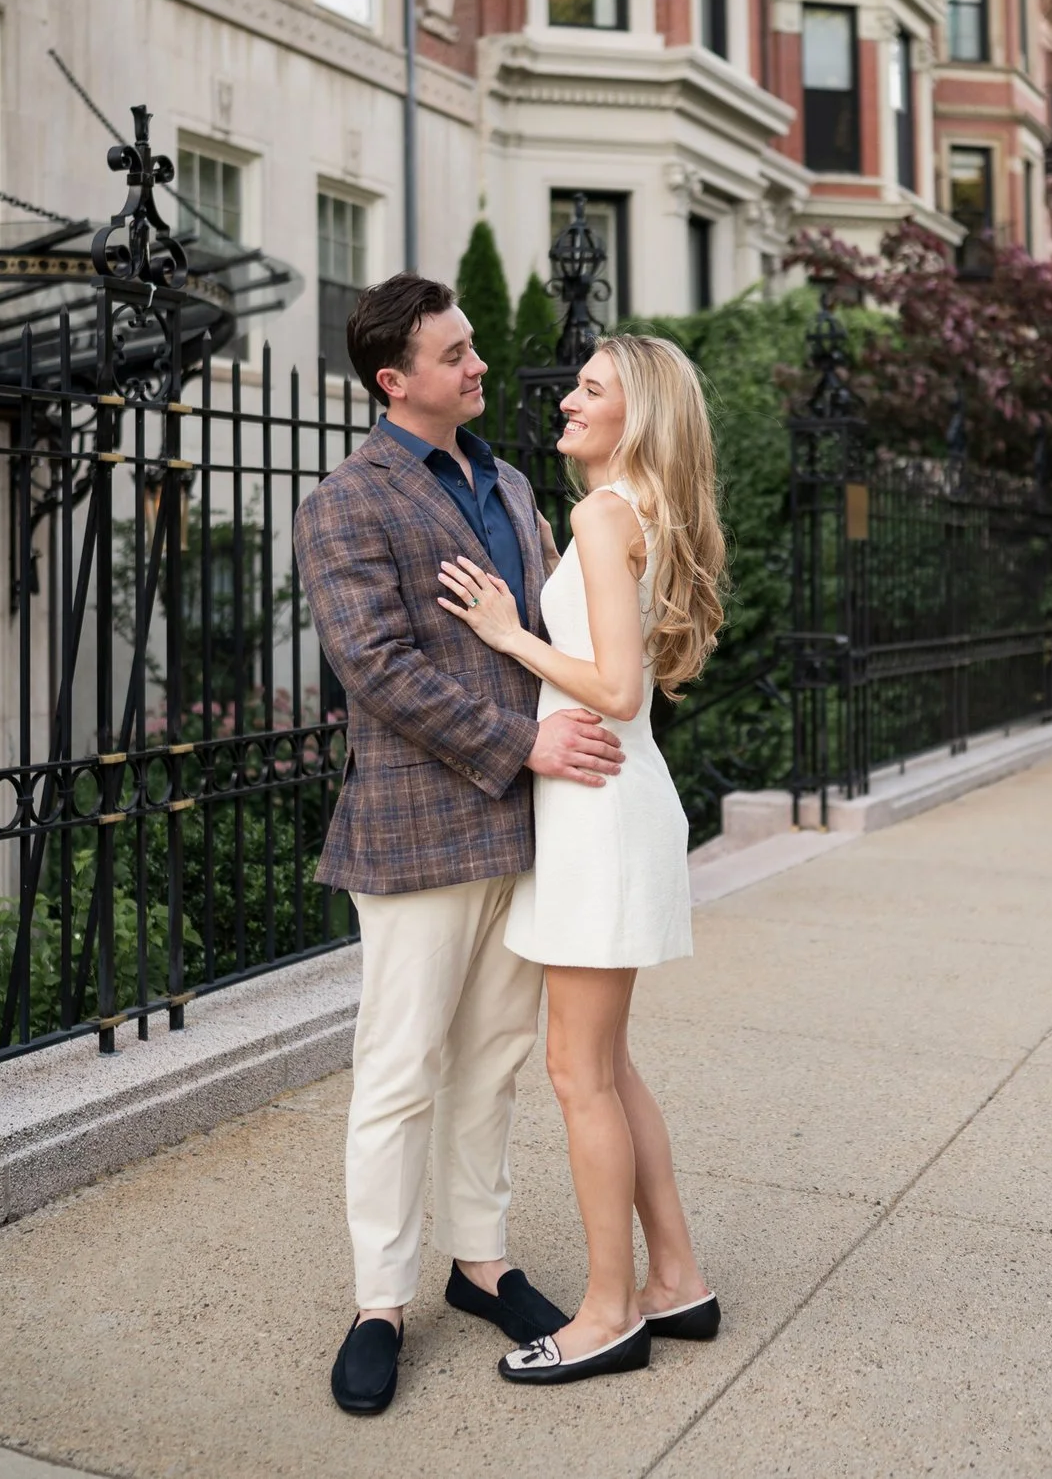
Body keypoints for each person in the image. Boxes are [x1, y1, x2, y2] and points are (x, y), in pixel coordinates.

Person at [293, 272, 628, 1417]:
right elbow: (374, 669)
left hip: (533, 830)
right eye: (454, 354)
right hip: (417, 825)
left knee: (492, 1060)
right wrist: (518, 745)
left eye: (472, 346)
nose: (478, 364)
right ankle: (379, 1299)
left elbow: (540, 631)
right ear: (395, 381)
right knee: (398, 1070)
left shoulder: (514, 481)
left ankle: (479, 1263)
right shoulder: (348, 497)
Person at [435, 332, 723, 1384]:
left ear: (633, 416)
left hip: (600, 812)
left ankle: (608, 1313)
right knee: (605, 1065)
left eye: (589, 388)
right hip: (609, 805)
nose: (566, 398)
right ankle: (677, 1278)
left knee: (575, 1072)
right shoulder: (620, 515)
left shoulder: (607, 517)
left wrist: (510, 634)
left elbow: (614, 690)